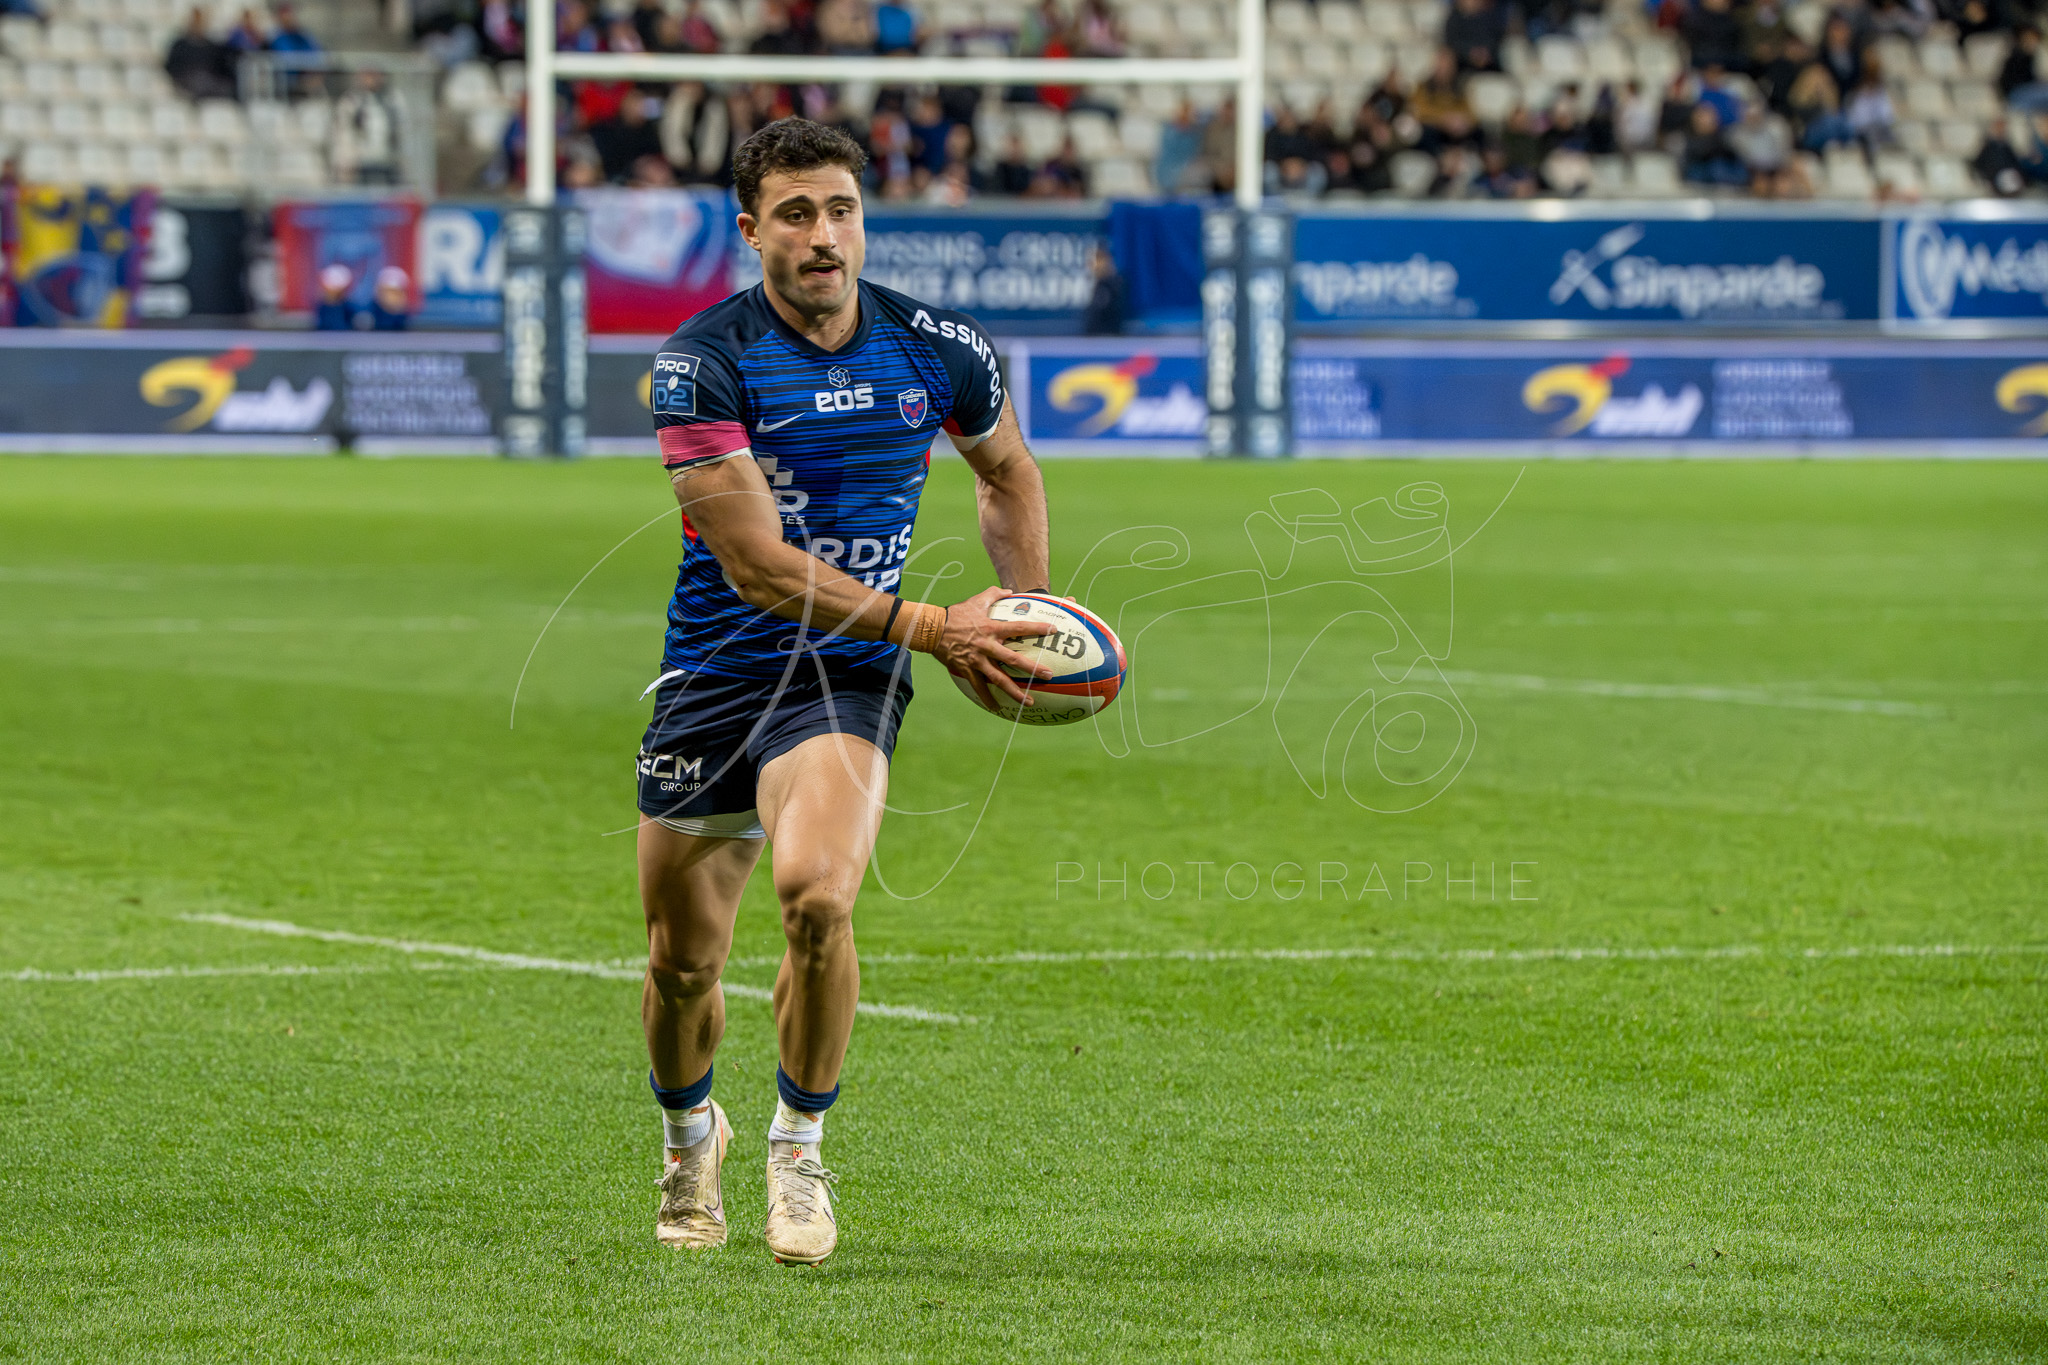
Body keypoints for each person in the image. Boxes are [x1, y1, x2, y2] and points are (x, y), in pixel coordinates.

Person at [639, 118, 1053, 1266]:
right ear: (750, 230)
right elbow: (756, 569)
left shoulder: (936, 347)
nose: (824, 237)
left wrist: (1022, 619)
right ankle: (688, 1140)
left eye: (841, 211)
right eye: (795, 215)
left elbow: (1007, 472)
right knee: (682, 965)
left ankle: (797, 1150)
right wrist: (932, 624)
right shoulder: (701, 364)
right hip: (716, 674)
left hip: (845, 675)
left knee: (818, 897)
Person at [165, 8, 236, 101]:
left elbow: (222, 68)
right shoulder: (180, 45)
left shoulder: (212, 46)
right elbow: (171, 67)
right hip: (187, 82)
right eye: (195, 21)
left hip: (211, 82)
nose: (198, 24)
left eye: (200, 21)